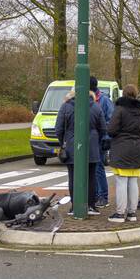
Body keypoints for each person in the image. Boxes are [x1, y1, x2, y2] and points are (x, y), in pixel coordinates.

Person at [54, 88, 106, 216]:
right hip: (92, 147)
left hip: (72, 147)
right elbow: (103, 128)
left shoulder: (65, 107)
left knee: (73, 177)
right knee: (91, 177)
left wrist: (63, 142)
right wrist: (96, 141)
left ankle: (75, 205)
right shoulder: (96, 107)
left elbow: (59, 128)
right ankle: (91, 205)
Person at [105, 84, 140, 223]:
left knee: (121, 181)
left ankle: (120, 213)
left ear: (124, 94)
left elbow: (111, 129)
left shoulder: (120, 109)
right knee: (133, 181)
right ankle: (132, 213)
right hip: (136, 148)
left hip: (122, 147)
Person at [91, 76, 114, 208]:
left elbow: (110, 120)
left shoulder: (104, 100)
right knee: (92, 168)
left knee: (98, 168)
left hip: (100, 140)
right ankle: (94, 195)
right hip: (91, 140)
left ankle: (103, 196)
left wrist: (105, 137)